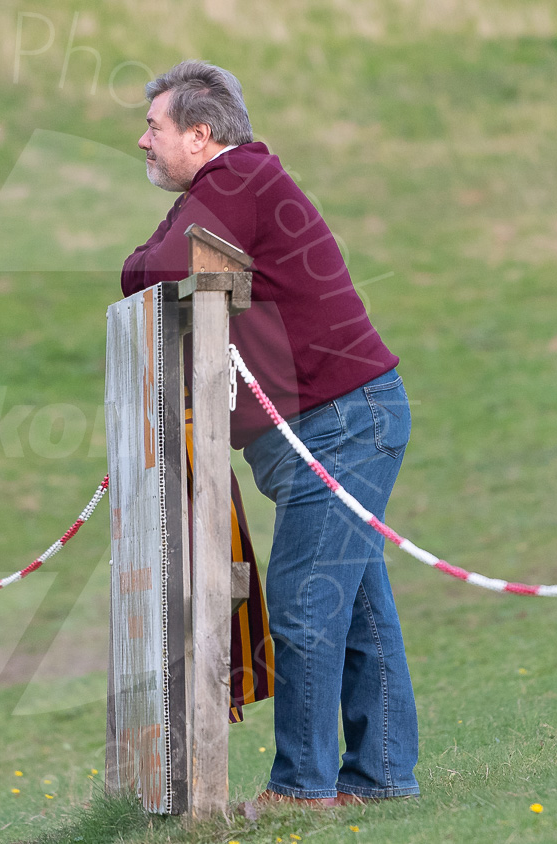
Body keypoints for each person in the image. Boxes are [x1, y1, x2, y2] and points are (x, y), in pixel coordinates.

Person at [121, 60, 420, 807]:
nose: (142, 141)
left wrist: (147, 264)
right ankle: (381, 775)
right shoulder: (225, 188)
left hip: (342, 423)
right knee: (355, 607)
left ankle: (302, 786)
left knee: (303, 602)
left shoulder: (236, 181)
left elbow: (153, 266)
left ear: (201, 133)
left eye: (154, 128)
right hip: (341, 421)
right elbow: (145, 266)